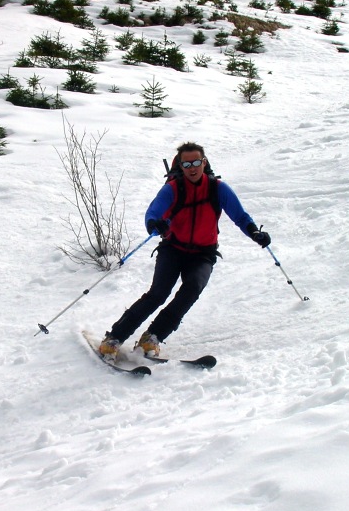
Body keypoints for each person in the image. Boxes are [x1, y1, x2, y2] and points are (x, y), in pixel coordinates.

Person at [98, 142, 271, 359]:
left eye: (196, 162)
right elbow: (153, 212)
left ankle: (152, 337)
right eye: (187, 163)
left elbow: (240, 216)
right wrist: (155, 225)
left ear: (204, 162)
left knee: (192, 289)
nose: (192, 167)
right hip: (174, 249)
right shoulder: (173, 188)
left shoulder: (218, 188)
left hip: (203, 254)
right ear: (180, 165)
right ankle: (114, 337)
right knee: (158, 294)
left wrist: (255, 233)